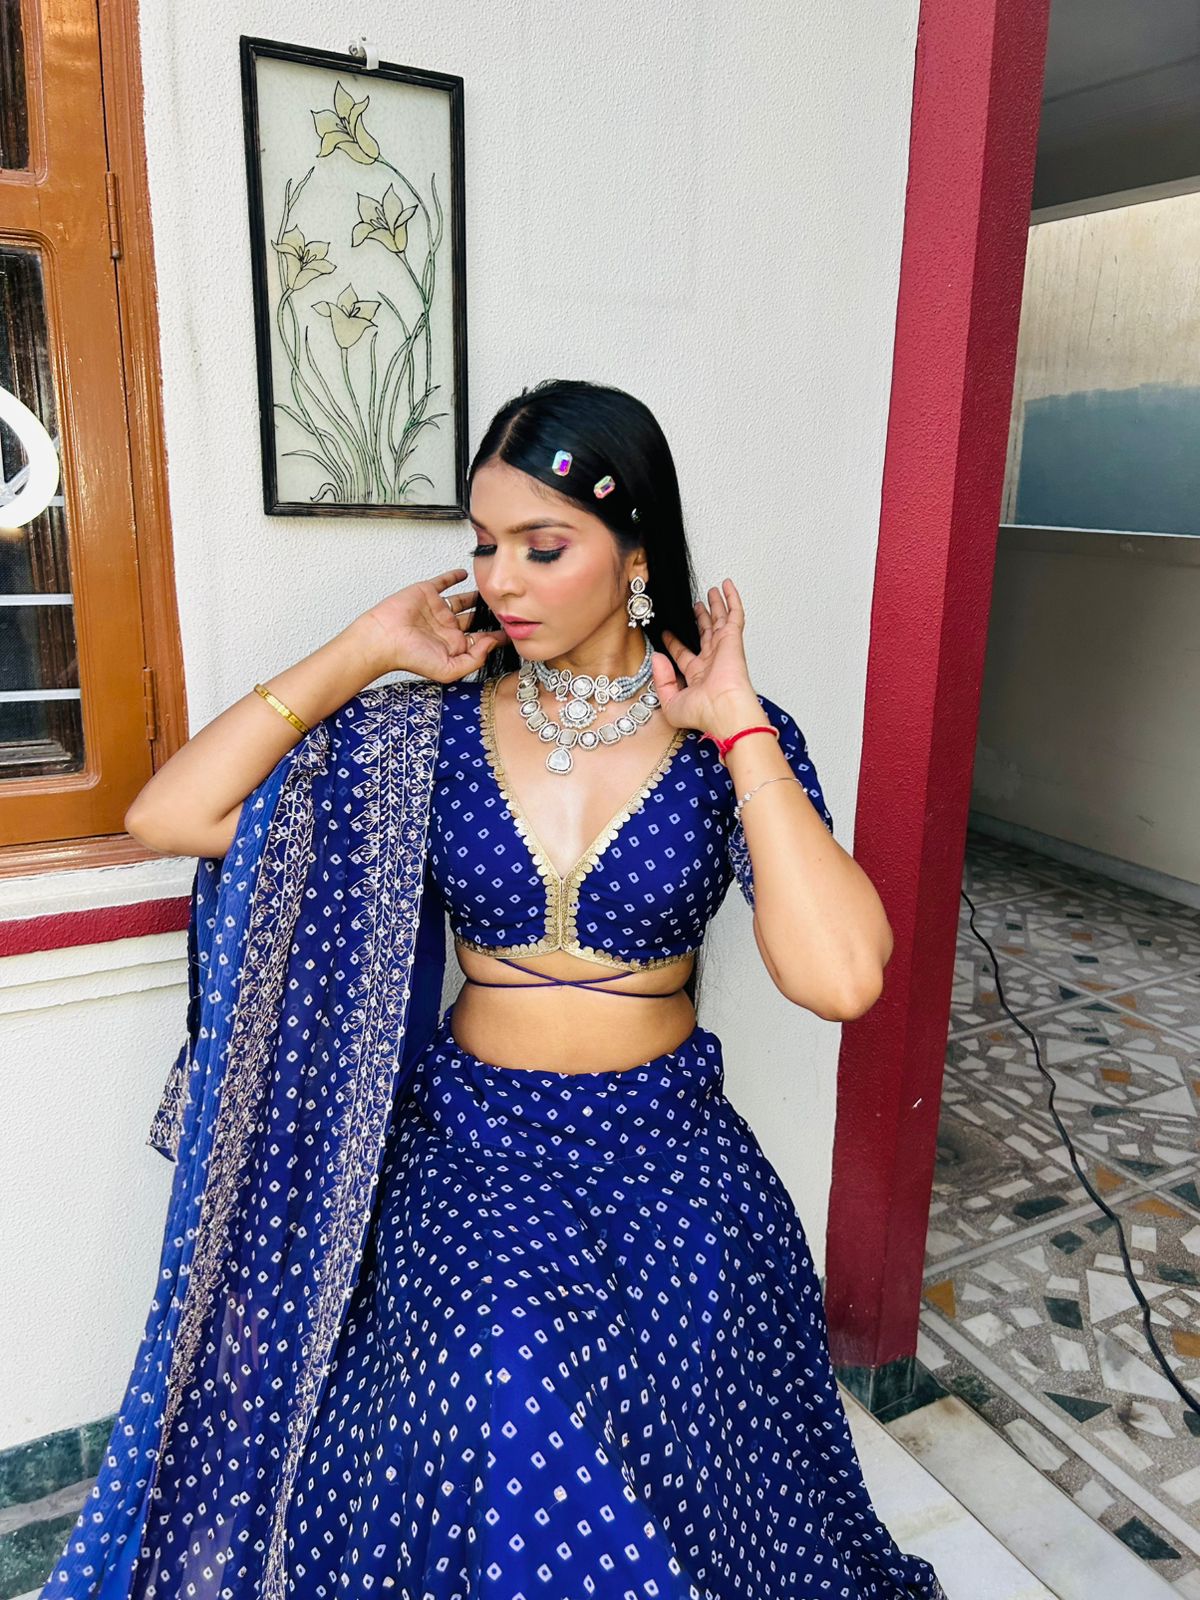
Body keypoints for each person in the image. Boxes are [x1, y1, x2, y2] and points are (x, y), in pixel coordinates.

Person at [42, 379, 947, 1600]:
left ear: (635, 552)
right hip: (475, 1144)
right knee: (510, 1373)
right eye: (483, 544)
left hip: (669, 1147)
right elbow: (172, 814)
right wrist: (366, 648)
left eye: (542, 546)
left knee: (699, 1351)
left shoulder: (729, 738)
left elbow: (840, 976)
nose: (501, 580)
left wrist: (738, 727)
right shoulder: (428, 732)